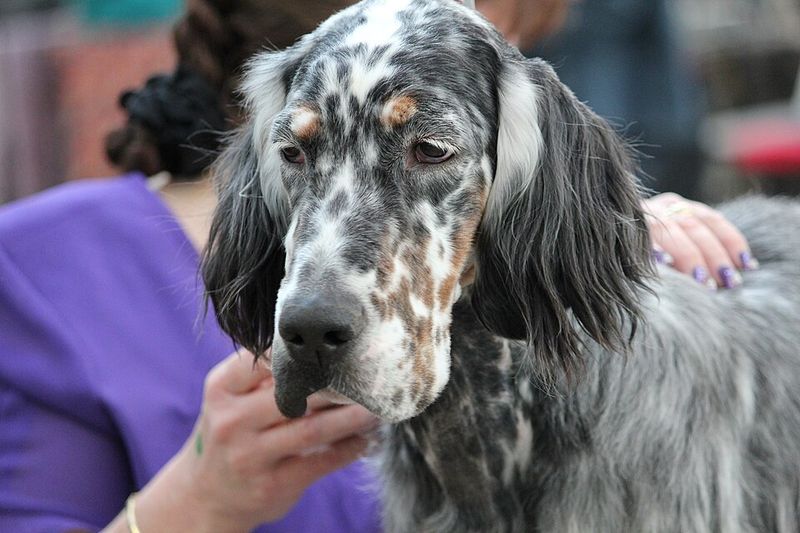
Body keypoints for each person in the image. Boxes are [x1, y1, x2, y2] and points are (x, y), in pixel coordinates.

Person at [0, 1, 756, 532]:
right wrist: (200, 501)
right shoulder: (44, 264)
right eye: (299, 154)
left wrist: (603, 237)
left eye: (429, 148)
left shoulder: (545, 258)